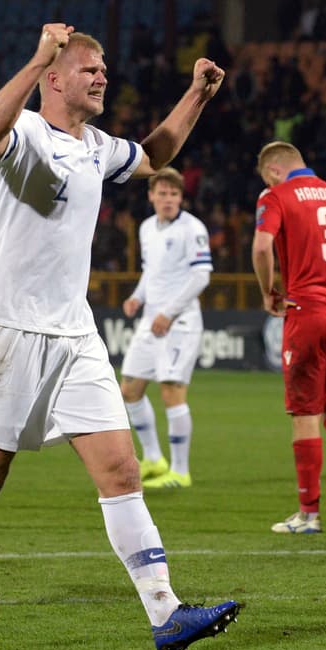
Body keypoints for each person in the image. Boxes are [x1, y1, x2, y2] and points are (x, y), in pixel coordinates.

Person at [0, 23, 240, 650]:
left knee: (123, 469)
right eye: (89, 68)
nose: (102, 76)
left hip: (75, 334)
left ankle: (166, 612)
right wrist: (37, 49)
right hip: (9, 334)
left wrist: (197, 95)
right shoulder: (25, 136)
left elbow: (155, 154)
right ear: (53, 77)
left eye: (104, 68)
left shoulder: (97, 146)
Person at [251, 141, 326, 536]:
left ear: (272, 170)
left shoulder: (275, 195)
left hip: (307, 311)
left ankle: (309, 514)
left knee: (304, 414)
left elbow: (262, 245)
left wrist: (269, 290)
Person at [120, 167, 213, 490]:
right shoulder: (147, 228)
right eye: (162, 193)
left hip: (180, 323)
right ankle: (154, 459)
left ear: (181, 197)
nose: (168, 199)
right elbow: (151, 272)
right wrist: (136, 296)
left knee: (171, 392)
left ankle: (180, 470)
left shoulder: (193, 229)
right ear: (151, 197)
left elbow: (201, 276)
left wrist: (169, 313)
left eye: (174, 194)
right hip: (151, 322)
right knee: (129, 390)